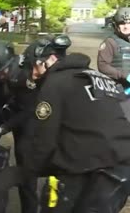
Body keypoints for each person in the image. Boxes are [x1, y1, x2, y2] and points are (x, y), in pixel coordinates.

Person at [20, 36, 130, 212]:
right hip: (122, 168)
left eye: (34, 66)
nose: (33, 74)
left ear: (50, 60)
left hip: (90, 169)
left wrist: (29, 171)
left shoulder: (55, 83)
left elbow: (44, 139)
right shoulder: (98, 77)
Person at [0, 39, 41, 213]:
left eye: (4, 71)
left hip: (24, 117)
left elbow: (29, 111)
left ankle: (29, 208)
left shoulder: (26, 74)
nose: (1, 76)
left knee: (26, 166)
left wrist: (3, 129)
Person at [98, 7, 130, 89]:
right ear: (116, 25)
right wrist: (124, 75)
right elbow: (102, 65)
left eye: (129, 23)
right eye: (122, 23)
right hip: (118, 88)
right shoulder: (110, 42)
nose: (126, 26)